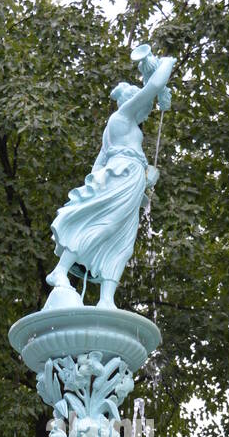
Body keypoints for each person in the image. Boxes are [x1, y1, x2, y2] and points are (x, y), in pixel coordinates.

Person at [46, 51, 176, 308]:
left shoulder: (120, 130)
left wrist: (144, 175)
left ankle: (107, 299)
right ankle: (60, 270)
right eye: (147, 107)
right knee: (104, 226)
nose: (148, 112)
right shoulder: (123, 116)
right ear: (132, 102)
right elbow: (156, 85)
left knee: (123, 242)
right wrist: (168, 62)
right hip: (123, 177)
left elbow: (99, 163)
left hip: (130, 181)